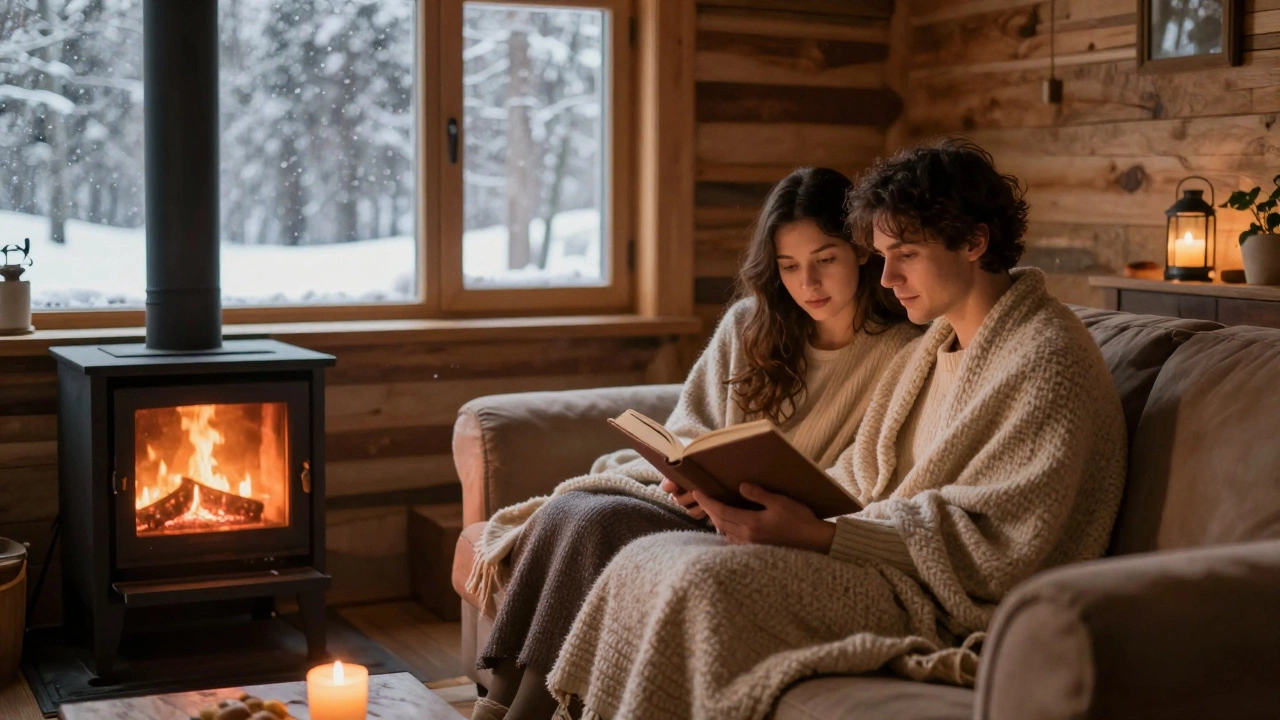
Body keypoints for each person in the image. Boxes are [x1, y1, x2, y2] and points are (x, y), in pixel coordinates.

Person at [543, 139, 1129, 720]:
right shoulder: (932, 348)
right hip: (878, 556)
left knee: (702, 579)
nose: (888, 276)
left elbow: (1003, 545)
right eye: (882, 255)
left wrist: (823, 536)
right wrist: (790, 512)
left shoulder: (1046, 359)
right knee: (651, 556)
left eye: (905, 254)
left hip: (945, 597)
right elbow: (863, 471)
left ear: (974, 242)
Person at [466, 167, 922, 720]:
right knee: (568, 509)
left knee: (599, 522)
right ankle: (496, 703)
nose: (808, 283)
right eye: (789, 266)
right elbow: (689, 426)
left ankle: (523, 715)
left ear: (862, 254)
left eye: (825, 259)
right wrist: (681, 473)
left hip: (770, 528)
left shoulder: (901, 351)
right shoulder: (750, 324)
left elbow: (867, 470)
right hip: (699, 507)